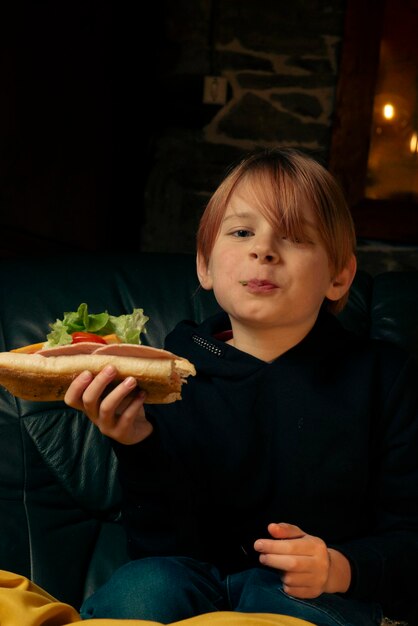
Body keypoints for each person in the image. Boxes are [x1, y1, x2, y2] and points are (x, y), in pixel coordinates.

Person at [64, 148, 418, 626]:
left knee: (277, 598)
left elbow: (411, 535)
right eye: (242, 232)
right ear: (205, 265)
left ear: (339, 277)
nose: (264, 249)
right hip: (188, 579)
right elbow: (161, 548)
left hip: (311, 594)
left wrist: (340, 568)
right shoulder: (166, 376)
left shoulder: (386, 378)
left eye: (294, 237)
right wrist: (136, 445)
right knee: (144, 588)